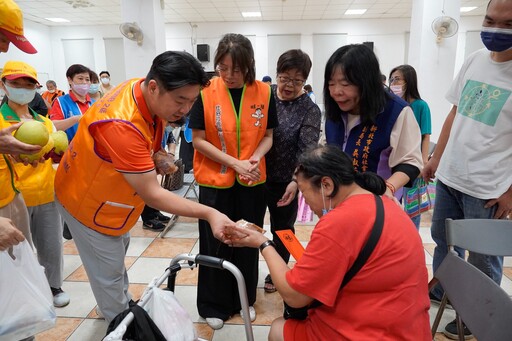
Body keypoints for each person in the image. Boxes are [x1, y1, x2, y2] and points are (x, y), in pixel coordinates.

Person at [53, 51, 235, 323]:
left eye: (192, 100)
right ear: (154, 87)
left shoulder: (141, 88)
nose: (185, 109)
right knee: (108, 270)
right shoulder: (121, 124)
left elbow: (148, 135)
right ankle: (119, 322)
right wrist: (209, 213)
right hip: (86, 203)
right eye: (180, 100)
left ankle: (114, 302)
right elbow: (153, 193)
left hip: (113, 199)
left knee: (115, 258)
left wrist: (156, 153)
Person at [229, 145, 431, 341]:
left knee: (278, 329)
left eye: (303, 191)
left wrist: (264, 244)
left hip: (371, 330)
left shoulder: (339, 221)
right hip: (408, 326)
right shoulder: (384, 202)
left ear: (326, 185)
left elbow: (294, 296)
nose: (305, 201)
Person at [423, 0, 512, 338]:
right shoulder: (474, 60)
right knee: (443, 243)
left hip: (488, 189)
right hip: (450, 177)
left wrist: (510, 192)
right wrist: (435, 159)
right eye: (490, 20)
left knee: (482, 258)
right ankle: (446, 293)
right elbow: (454, 114)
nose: (495, 29)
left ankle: (481, 318)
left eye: (507, 24)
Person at [188, 33, 278, 330]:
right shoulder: (205, 91)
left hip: (252, 181)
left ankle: (244, 300)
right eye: (222, 67)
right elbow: (198, 140)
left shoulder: (265, 92)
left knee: (247, 240)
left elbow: (268, 136)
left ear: (248, 65)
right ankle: (213, 304)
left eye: (236, 69)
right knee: (215, 242)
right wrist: (234, 163)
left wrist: (254, 158)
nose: (228, 75)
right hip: (215, 182)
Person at [0, 60, 69, 308]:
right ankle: (27, 289)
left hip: (47, 191)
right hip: (14, 196)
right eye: (15, 83)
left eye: (28, 84)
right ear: (4, 85)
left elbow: (52, 150)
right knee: (20, 249)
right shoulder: (0, 120)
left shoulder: (43, 120)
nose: (22, 88)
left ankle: (54, 285)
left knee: (51, 245)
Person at [324, 44, 423, 201]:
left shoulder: (395, 111)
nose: (336, 91)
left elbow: (410, 161)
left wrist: (388, 187)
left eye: (345, 84)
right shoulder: (335, 112)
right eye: (331, 84)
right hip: (338, 202)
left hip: (376, 204)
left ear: (367, 82)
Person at [264, 49, 321, 293]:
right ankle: (243, 270)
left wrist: (295, 182)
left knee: (283, 229)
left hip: (285, 181)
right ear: (277, 75)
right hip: (255, 177)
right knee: (250, 225)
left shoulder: (309, 109)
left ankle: (280, 272)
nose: (290, 85)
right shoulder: (264, 97)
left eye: (298, 81)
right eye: (285, 78)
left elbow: (306, 150)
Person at [389, 64, 432, 229]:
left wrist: (422, 162)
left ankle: (411, 236)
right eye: (392, 79)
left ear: (409, 80)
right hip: (394, 161)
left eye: (397, 79)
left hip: (412, 163)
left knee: (412, 207)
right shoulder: (393, 105)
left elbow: (425, 136)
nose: (394, 82)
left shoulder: (421, 106)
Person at [49, 64, 94, 142]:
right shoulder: (61, 102)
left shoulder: (94, 103)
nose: (84, 82)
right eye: (80, 78)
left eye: (87, 79)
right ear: (70, 80)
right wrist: (76, 119)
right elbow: (53, 126)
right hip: (71, 150)